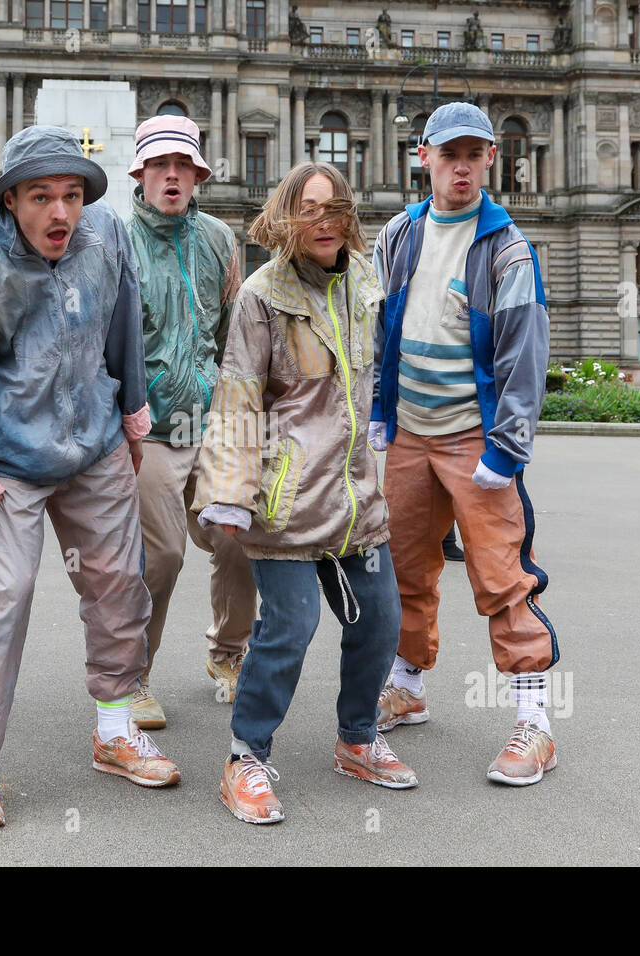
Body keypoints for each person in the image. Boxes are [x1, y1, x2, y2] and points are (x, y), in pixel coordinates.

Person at [0, 126, 181, 831]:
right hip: (8, 460)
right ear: (10, 201)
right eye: (40, 197)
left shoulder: (105, 235)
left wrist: (130, 415)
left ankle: (116, 731)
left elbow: (126, 319)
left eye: (71, 195)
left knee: (120, 585)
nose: (61, 213)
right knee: (1, 603)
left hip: (92, 444)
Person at [193, 161, 417, 826]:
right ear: (287, 219)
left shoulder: (365, 284)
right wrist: (229, 494)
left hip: (354, 500)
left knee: (379, 621)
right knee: (289, 628)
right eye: (311, 209)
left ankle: (356, 738)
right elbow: (237, 395)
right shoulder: (262, 294)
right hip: (285, 501)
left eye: (337, 208)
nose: (326, 221)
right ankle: (245, 759)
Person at [371, 101, 558, 786]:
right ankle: (408, 683)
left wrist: (505, 450)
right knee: (404, 569)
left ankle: (535, 722)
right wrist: (375, 414)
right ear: (423, 157)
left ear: (489, 161)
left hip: (474, 438)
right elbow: (376, 329)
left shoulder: (507, 247)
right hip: (409, 436)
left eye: (474, 154)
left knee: (502, 576)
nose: (461, 166)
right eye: (449, 154)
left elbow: (524, 357)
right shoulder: (397, 234)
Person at [123, 115, 256, 727]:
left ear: (199, 174)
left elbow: (232, 336)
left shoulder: (220, 241)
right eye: (159, 166)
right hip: (146, 430)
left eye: (182, 166)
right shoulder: (114, 240)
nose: (171, 176)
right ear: (140, 173)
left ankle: (229, 654)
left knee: (238, 538)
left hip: (208, 425)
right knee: (163, 558)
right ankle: (134, 676)